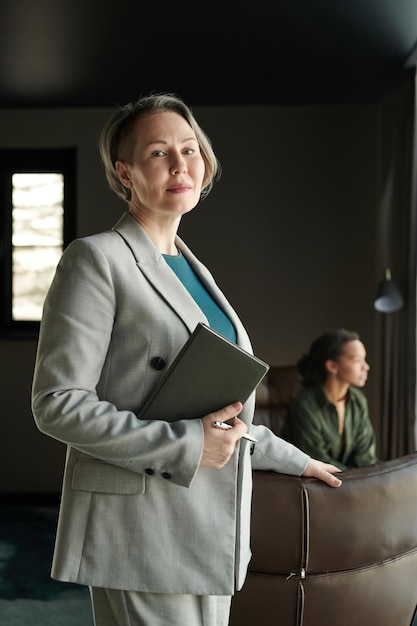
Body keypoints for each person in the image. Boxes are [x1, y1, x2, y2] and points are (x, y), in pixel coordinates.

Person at [31, 92, 341, 626]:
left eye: (190, 148)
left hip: (210, 525)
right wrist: (187, 444)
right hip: (140, 526)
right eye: (158, 153)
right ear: (124, 172)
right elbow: (57, 403)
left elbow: (220, 408)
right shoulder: (97, 260)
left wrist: (297, 460)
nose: (180, 165)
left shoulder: (196, 272)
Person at [282, 328, 378, 470]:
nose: (366, 367)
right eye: (357, 360)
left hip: (350, 483)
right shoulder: (304, 405)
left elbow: (365, 457)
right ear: (332, 366)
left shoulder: (358, 400)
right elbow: (318, 462)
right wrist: (359, 480)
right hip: (311, 485)